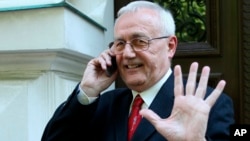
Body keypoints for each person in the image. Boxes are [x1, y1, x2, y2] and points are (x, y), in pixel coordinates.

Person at [41, 1, 234, 141]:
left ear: (170, 46)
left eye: (139, 42)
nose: (127, 53)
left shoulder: (207, 105)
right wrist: (87, 91)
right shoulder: (102, 104)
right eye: (119, 43)